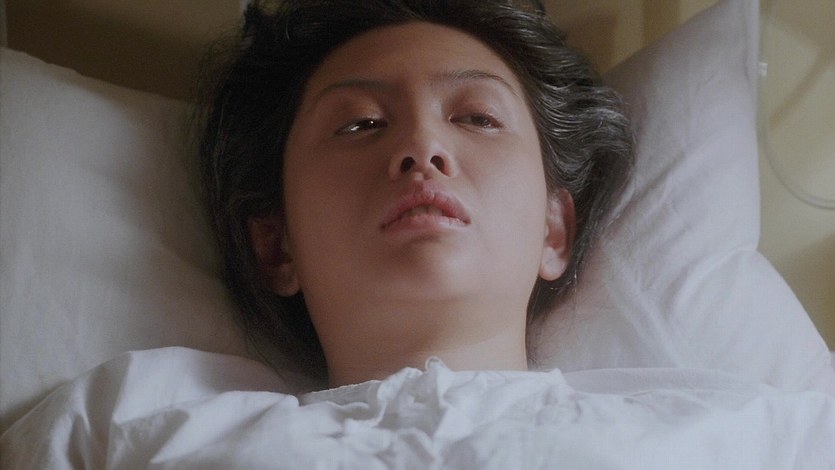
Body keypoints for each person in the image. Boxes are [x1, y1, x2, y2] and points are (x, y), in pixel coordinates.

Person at [197, 0, 633, 388]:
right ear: (277, 244)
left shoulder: (663, 431)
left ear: (553, 230)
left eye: (478, 118)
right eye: (361, 124)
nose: (422, 145)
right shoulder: (187, 433)